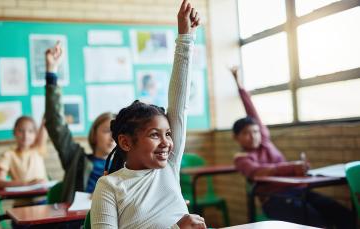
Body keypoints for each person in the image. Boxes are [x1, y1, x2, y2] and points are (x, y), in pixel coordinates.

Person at [90, 1, 206, 228]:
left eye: (169, 134)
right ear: (125, 141)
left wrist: (185, 37)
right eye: (154, 135)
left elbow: (179, 103)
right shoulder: (109, 186)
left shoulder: (168, 167)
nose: (167, 143)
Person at [230, 67, 353, 228]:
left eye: (255, 131)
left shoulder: (264, 141)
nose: (253, 136)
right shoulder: (241, 159)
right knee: (317, 222)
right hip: (275, 199)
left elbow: (252, 112)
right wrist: (292, 167)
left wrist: (240, 86)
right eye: (246, 133)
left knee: (343, 215)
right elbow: (260, 171)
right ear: (236, 137)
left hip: (298, 191)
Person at [44, 42, 116, 203]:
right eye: (106, 131)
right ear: (94, 134)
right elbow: (55, 123)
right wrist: (51, 72)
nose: (113, 138)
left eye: (117, 133)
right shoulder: (76, 159)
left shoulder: (125, 166)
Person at [0, 116, 48, 206]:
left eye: (30, 131)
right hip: (21, 205)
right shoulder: (8, 155)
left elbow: (45, 124)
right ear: (14, 132)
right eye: (21, 131)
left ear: (36, 134)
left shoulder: (38, 149)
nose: (26, 135)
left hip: (43, 202)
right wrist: (27, 183)